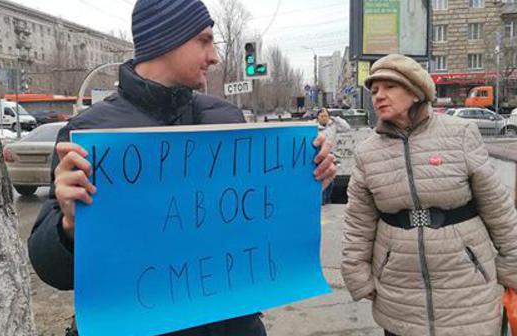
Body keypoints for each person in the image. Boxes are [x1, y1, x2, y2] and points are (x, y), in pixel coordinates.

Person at [27, 0, 337, 335]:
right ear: (166, 38)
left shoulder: (227, 121)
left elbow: (258, 225)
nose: (214, 57)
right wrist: (70, 225)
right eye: (203, 41)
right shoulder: (89, 136)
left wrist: (308, 183)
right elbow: (52, 270)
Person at [341, 53, 517, 336]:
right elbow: (358, 222)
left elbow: (497, 207)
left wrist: (513, 264)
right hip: (399, 290)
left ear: (415, 92)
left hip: (466, 284)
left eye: (390, 87)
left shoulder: (460, 134)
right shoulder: (367, 152)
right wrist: (357, 274)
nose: (379, 96)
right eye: (374, 91)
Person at [315, 108, 350, 204]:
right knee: (321, 180)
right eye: (322, 116)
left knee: (331, 180)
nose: (324, 118)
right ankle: (321, 200)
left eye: (326, 116)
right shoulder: (314, 127)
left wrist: (336, 118)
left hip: (331, 156)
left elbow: (346, 128)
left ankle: (328, 200)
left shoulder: (332, 125)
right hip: (320, 157)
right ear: (317, 117)